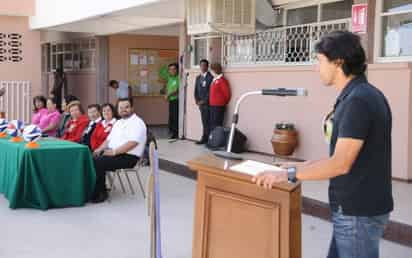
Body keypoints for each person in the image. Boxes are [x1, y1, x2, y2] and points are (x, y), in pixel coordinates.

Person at [252, 31, 393, 258]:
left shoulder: (358, 101)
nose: (316, 68)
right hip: (354, 210)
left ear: (338, 62)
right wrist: (300, 166)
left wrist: (288, 174)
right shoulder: (358, 95)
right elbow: (343, 156)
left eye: (319, 61)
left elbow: (340, 164)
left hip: (358, 212)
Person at [92, 98, 147, 203]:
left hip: (129, 157)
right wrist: (99, 149)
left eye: (126, 107)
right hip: (114, 154)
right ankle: (94, 189)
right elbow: (108, 140)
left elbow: (132, 143)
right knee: (91, 158)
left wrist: (113, 152)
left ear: (132, 108)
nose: (123, 109)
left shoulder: (137, 122)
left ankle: (101, 192)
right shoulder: (118, 123)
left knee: (98, 162)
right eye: (121, 107)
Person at [194, 59, 214, 145]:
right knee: (204, 121)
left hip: (207, 104)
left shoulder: (211, 78)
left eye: (204, 65)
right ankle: (204, 137)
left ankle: (208, 138)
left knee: (208, 122)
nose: (202, 67)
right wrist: (197, 100)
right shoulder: (198, 77)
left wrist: (204, 101)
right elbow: (196, 90)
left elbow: (210, 92)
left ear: (207, 66)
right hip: (201, 104)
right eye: (201, 65)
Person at [209, 63, 231, 132]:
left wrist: (223, 102)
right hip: (213, 105)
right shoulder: (215, 79)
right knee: (213, 123)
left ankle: (217, 140)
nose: (211, 72)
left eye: (212, 70)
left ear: (216, 70)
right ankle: (213, 140)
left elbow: (227, 94)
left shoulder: (222, 80)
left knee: (217, 124)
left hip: (219, 106)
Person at [165, 63, 179, 139]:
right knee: (171, 116)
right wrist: (166, 94)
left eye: (173, 69)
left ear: (177, 70)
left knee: (175, 117)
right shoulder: (170, 78)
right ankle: (171, 131)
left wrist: (169, 95)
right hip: (171, 100)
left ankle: (175, 133)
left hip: (176, 100)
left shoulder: (178, 78)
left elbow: (177, 90)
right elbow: (168, 88)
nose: (172, 71)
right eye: (170, 69)